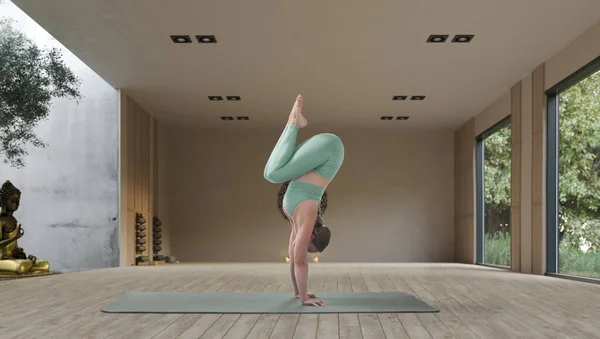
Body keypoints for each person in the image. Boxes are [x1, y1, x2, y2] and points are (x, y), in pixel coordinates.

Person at [264, 94, 345, 307]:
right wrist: (303, 300)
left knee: (270, 173)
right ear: (314, 236)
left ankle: (295, 123)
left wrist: (298, 292)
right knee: (273, 174)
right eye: (310, 248)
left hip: (322, 151)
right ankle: (294, 123)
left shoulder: (297, 221)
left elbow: (293, 258)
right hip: (330, 150)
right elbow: (300, 262)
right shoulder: (308, 218)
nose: (304, 249)